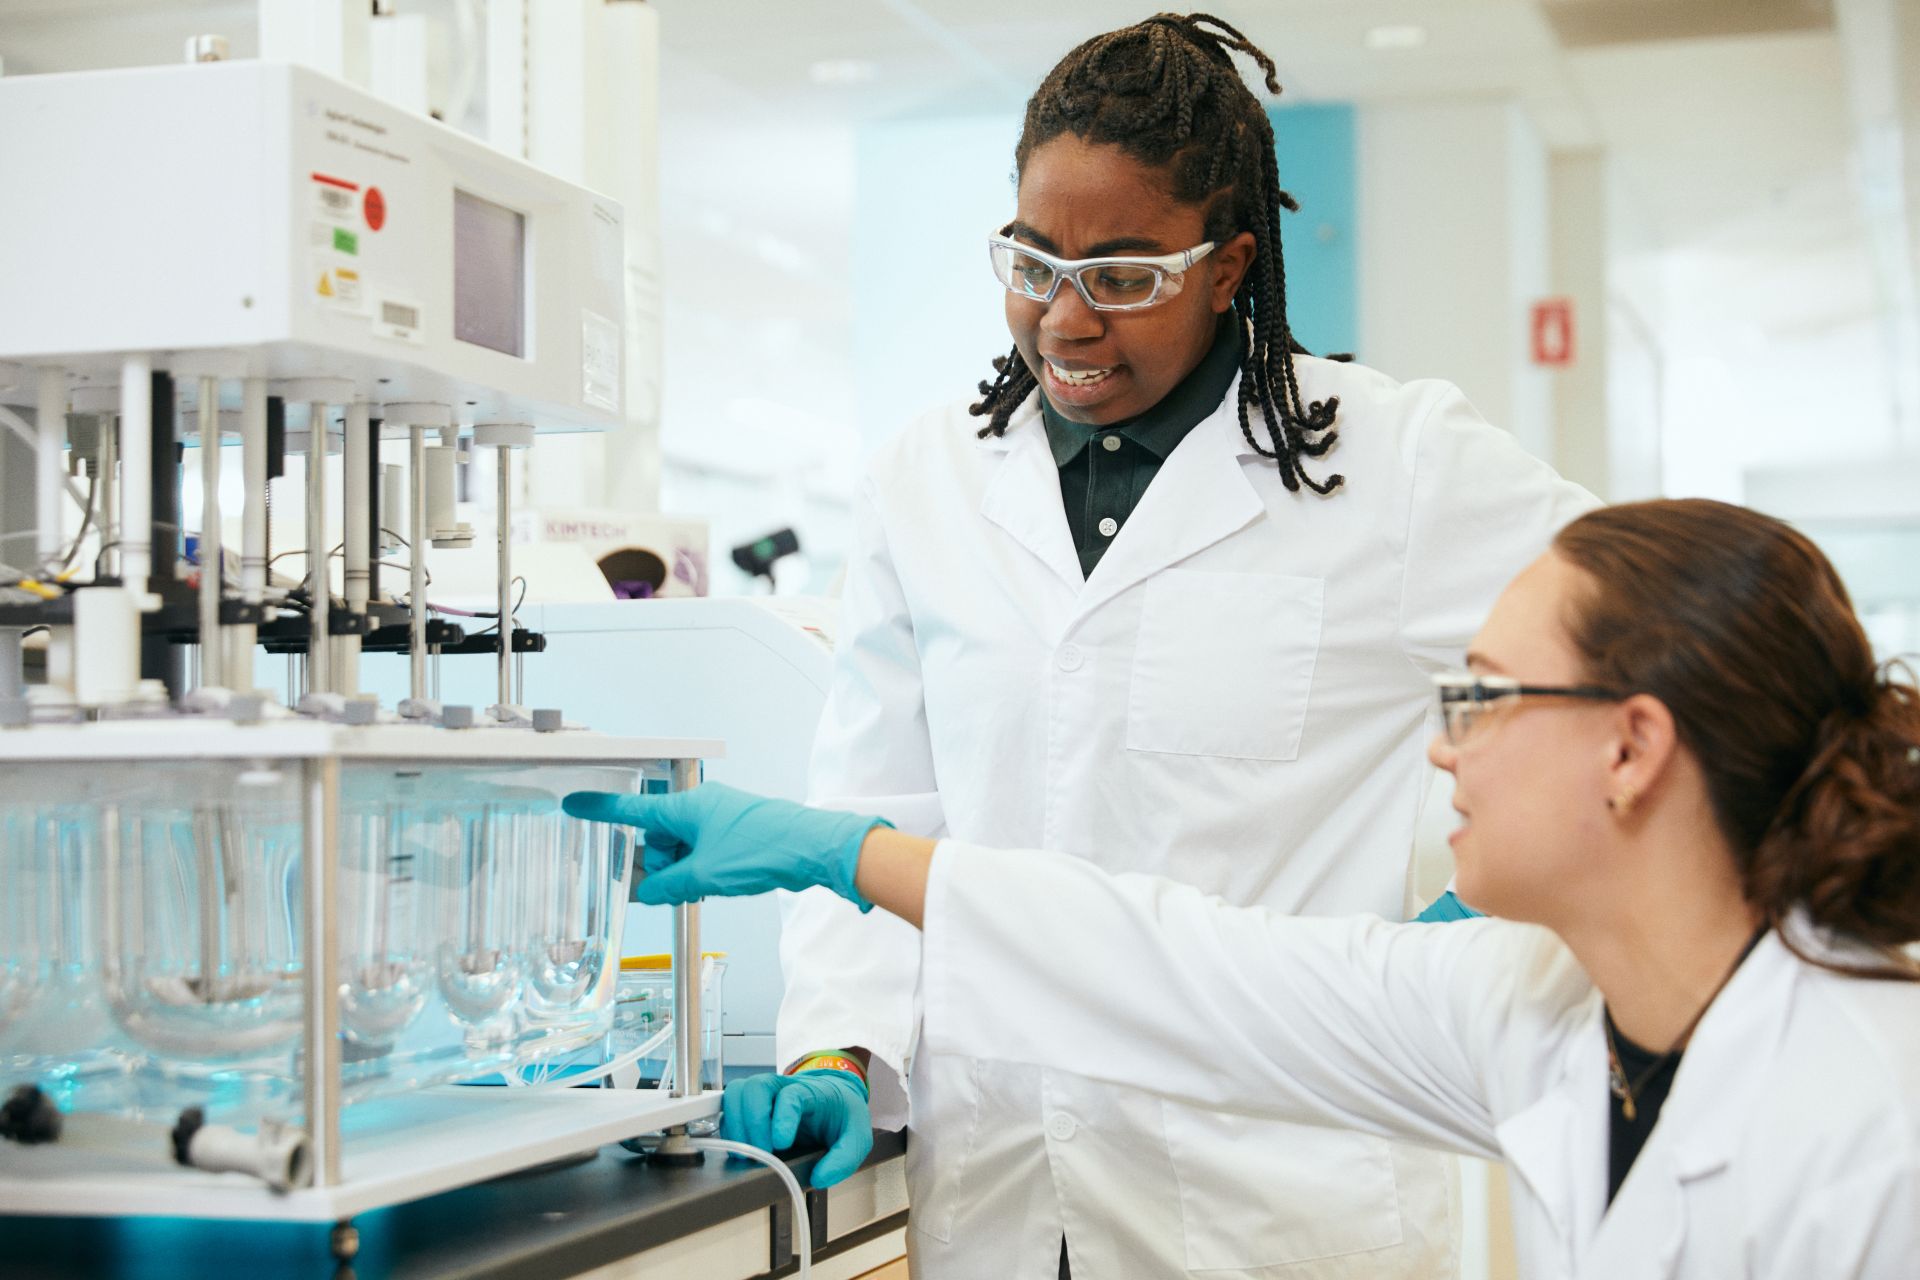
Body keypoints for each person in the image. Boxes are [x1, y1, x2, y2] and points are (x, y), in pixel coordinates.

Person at [568, 498, 1920, 1279]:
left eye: (1484, 698)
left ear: (1632, 747)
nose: (1444, 744)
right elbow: (1193, 971)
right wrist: (840, 854)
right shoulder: (1550, 1004)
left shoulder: (1876, 1121)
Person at [763, 12, 1595, 1278]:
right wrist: (837, 1043)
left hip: (1276, 1195)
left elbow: (1659, 647)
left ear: (1228, 266)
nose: (1067, 322)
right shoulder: (924, 479)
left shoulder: (1392, 463)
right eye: (1034, 263)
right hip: (998, 1187)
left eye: (1125, 274)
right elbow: (879, 802)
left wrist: (1483, 910)